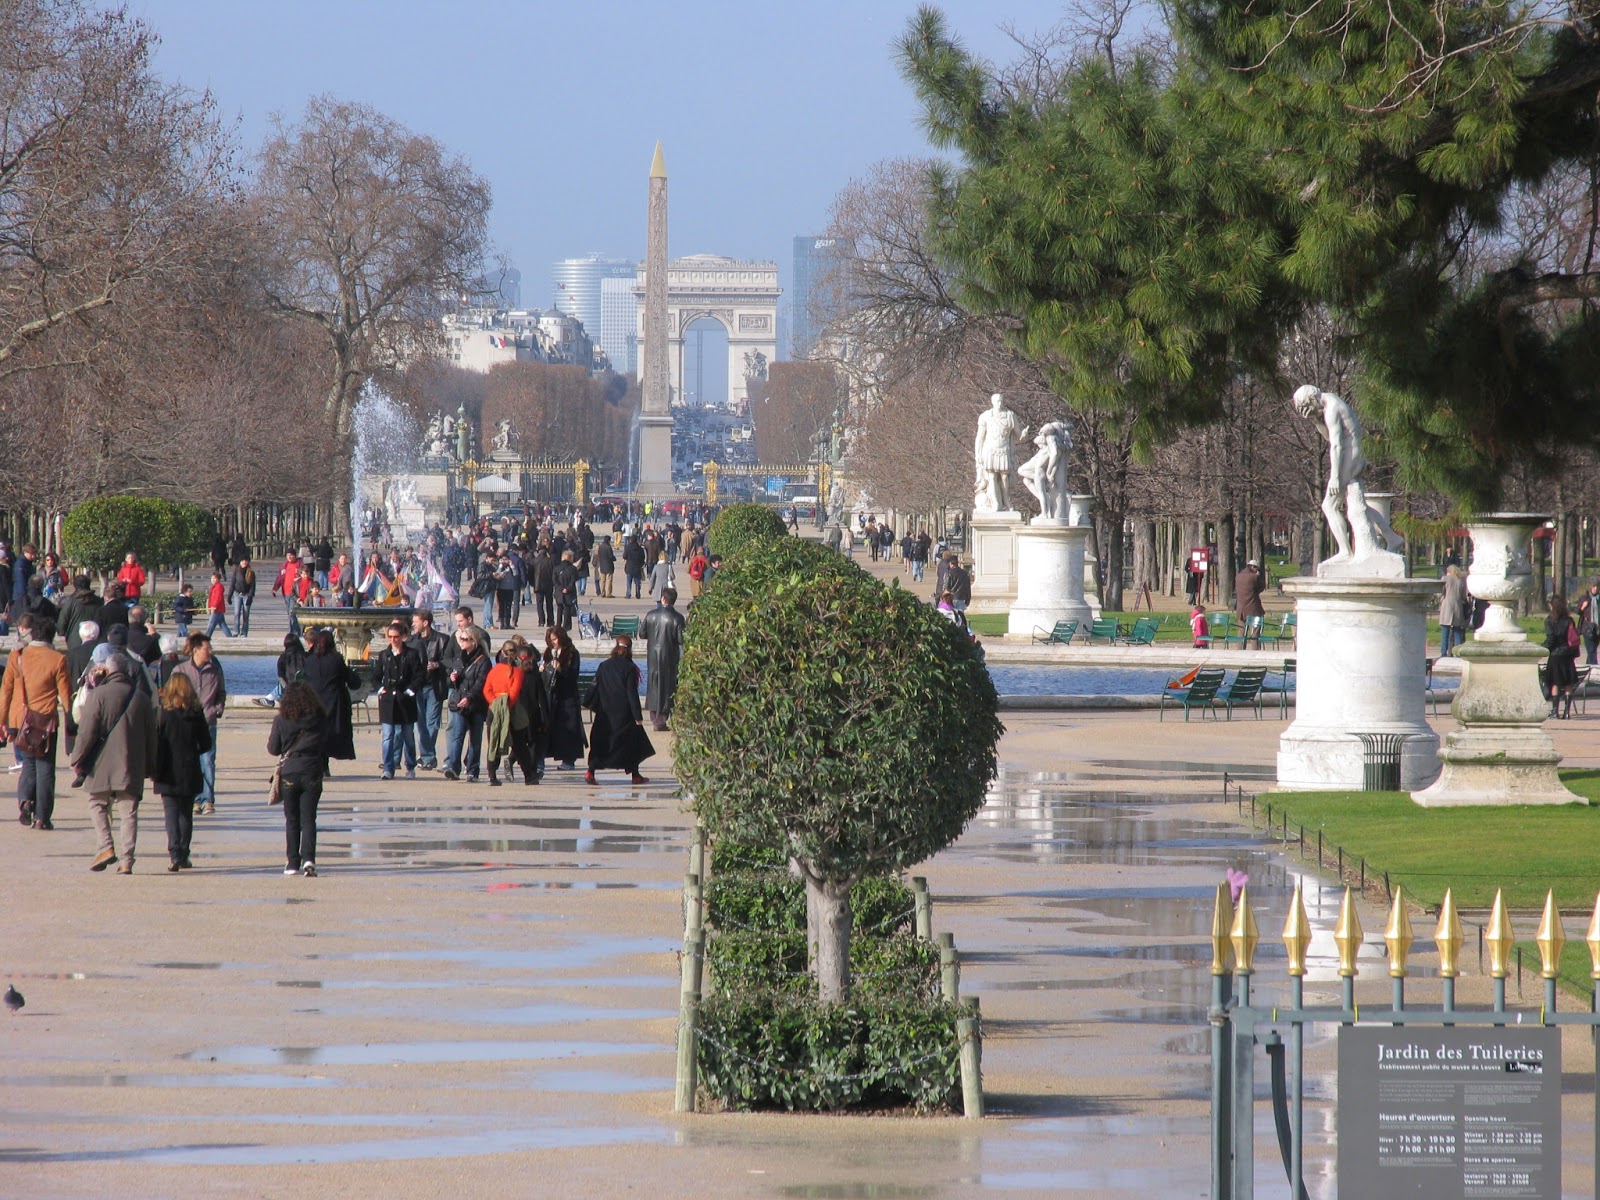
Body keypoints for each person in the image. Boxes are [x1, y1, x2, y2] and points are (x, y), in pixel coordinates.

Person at [72, 649, 157, 875]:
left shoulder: (99, 694)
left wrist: (77, 758)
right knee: (128, 811)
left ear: (108, 670)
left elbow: (87, 732)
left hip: (101, 762)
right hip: (131, 763)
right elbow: (152, 735)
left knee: (96, 803)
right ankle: (127, 860)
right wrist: (150, 765)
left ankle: (106, 846)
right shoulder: (141, 698)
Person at [1, 615, 70, 829]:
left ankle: (25, 801)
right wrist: (71, 719)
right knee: (46, 767)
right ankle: (42, 817)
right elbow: (65, 695)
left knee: (28, 764)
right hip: (45, 720)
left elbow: (6, 690)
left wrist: (2, 719)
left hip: (21, 719)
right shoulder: (57, 659)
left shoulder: (17, 656)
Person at [269, 682, 329, 877]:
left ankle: (292, 862)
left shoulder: (281, 719)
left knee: (292, 820)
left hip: (290, 771)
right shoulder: (319, 719)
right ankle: (309, 859)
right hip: (312, 769)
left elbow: (273, 749)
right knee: (309, 819)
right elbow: (326, 742)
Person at [152, 672, 210, 872]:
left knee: (171, 813)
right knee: (186, 813)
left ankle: (174, 852)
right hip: (189, 767)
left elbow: (155, 740)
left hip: (166, 768)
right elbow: (206, 744)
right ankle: (183, 853)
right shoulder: (195, 713)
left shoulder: (163, 712)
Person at [583, 636, 653, 786]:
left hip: (604, 712)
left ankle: (590, 771)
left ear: (615, 647)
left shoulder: (604, 665)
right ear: (630, 649)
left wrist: (588, 703)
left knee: (600, 743)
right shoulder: (630, 668)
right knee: (631, 743)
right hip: (623, 713)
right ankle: (635, 775)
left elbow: (594, 686)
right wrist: (637, 716)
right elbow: (631, 693)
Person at [172, 634, 225, 815]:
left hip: (208, 721)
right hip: (187, 722)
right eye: (207, 648)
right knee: (192, 760)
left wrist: (217, 709)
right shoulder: (181, 669)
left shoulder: (215, 670)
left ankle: (208, 799)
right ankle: (195, 799)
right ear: (196, 650)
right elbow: (173, 694)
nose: (210, 651)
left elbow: (221, 693)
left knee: (208, 761)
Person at [301, 628, 360, 772]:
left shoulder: (309, 661)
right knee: (331, 733)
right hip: (334, 702)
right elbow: (351, 680)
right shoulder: (336, 659)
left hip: (315, 702)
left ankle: (320, 763)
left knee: (317, 733)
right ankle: (324, 764)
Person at [483, 639, 538, 786]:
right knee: (519, 744)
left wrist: (495, 703)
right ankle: (529, 776)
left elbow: (486, 690)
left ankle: (492, 775)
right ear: (516, 654)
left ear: (502, 652)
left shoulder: (494, 671)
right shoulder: (518, 672)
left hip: (494, 711)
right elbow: (514, 693)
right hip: (512, 712)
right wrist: (506, 705)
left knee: (494, 741)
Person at [374, 619, 422, 780]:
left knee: (408, 735)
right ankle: (388, 767)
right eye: (390, 636)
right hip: (388, 700)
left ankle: (410, 766)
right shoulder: (384, 655)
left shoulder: (411, 654)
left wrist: (411, 690)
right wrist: (380, 689)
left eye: (396, 636)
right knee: (388, 735)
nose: (393, 640)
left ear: (403, 637)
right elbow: (375, 676)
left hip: (405, 700)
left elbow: (419, 676)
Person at [443, 625, 490, 782]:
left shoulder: (483, 661)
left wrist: (469, 697)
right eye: (460, 639)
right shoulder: (459, 658)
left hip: (476, 705)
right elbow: (451, 679)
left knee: (475, 739)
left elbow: (481, 683)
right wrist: (452, 679)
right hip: (459, 703)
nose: (461, 642)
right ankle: (454, 768)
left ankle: (472, 770)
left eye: (464, 639)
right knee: (457, 736)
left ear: (474, 641)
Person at [408, 609, 449, 771]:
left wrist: (437, 664)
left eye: (415, 622)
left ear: (425, 623)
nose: (413, 624)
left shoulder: (442, 640)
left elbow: (449, 660)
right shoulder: (411, 641)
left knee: (432, 723)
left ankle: (427, 756)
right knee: (420, 723)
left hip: (434, 685)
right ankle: (429, 755)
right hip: (418, 686)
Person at [640, 586, 684, 733]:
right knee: (668, 685)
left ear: (663, 599)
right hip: (669, 656)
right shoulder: (677, 617)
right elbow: (681, 639)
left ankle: (655, 717)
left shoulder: (651, 614)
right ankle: (663, 717)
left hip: (653, 655)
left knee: (653, 684)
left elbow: (642, 633)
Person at [542, 626, 586, 770]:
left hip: (568, 694)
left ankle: (569, 759)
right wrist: (544, 669)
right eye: (551, 640)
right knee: (552, 726)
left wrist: (561, 669)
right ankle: (546, 756)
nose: (553, 642)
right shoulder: (549, 652)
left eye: (555, 639)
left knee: (570, 726)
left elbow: (573, 675)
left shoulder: (572, 653)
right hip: (553, 694)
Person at [1544, 594, 1580, 719]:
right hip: (1568, 654)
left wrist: (1543, 648)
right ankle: (1567, 711)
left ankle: (1555, 711)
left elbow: (1550, 639)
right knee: (1568, 683)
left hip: (1555, 655)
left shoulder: (1549, 620)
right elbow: (1573, 637)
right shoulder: (1569, 620)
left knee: (1555, 683)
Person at [1439, 565, 1469, 658]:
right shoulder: (1461, 580)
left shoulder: (1445, 578)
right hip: (1457, 606)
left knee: (1445, 631)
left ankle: (1444, 652)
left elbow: (1440, 592)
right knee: (1457, 631)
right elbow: (1464, 596)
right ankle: (1458, 651)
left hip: (1446, 605)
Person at [1235, 559, 1266, 648]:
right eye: (1256, 568)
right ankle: (1255, 649)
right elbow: (1261, 588)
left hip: (1241, 608)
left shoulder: (1238, 576)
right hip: (1253, 608)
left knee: (1241, 630)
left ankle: (1240, 649)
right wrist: (1258, 577)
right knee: (1255, 630)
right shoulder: (1254, 577)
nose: (1257, 570)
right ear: (1253, 567)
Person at [228, 557, 256, 637]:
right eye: (242, 560)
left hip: (246, 595)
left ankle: (244, 632)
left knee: (246, 614)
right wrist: (229, 595)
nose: (244, 562)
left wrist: (250, 597)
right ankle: (236, 630)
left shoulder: (251, 572)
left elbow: (252, 586)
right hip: (237, 594)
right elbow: (232, 583)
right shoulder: (236, 571)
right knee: (236, 613)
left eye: (246, 560)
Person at [204, 571, 232, 639]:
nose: (213, 580)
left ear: (218, 579)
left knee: (211, 625)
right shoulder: (214, 587)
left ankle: (206, 638)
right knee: (222, 625)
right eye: (212, 578)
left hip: (217, 609)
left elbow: (218, 598)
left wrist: (214, 607)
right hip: (217, 609)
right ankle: (230, 637)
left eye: (214, 578)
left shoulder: (219, 587)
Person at [1578, 581, 1600, 668]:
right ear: (1590, 587)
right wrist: (1583, 607)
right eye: (1594, 586)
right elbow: (1578, 611)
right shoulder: (1585, 598)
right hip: (1587, 628)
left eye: (1597, 586)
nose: (1596, 588)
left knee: (1593, 650)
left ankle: (1588, 667)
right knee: (1591, 650)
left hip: (1598, 628)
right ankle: (1594, 668)